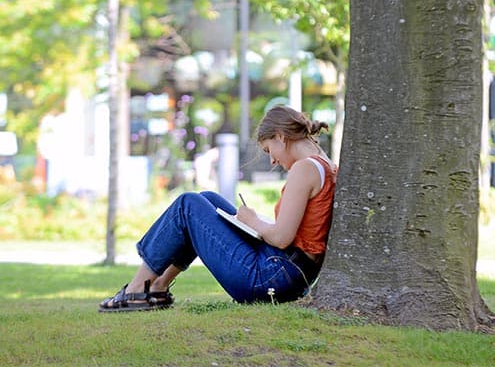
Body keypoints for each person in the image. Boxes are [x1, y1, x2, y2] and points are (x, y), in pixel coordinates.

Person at [99, 105, 337, 312]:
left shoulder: (304, 168)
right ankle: (158, 287)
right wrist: (252, 223)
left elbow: (283, 237)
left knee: (187, 205)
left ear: (280, 137)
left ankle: (137, 290)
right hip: (285, 273)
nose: (273, 161)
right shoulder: (323, 164)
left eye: (268, 150)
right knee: (208, 199)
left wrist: (252, 220)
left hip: (272, 277)